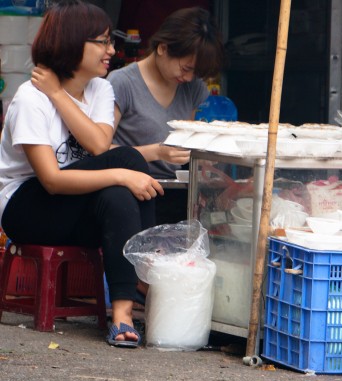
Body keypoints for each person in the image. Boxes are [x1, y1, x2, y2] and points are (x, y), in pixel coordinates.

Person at [0, 0, 164, 347]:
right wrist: (121, 174)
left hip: (74, 204)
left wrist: (59, 94)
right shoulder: (30, 100)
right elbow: (52, 180)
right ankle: (145, 275)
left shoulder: (100, 88)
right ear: (74, 43)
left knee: (120, 192)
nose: (112, 50)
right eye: (103, 42)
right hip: (28, 206)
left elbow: (98, 146)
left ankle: (122, 314)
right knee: (128, 166)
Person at [107, 7, 224, 224]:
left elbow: (187, 141)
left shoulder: (192, 87)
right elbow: (99, 150)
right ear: (163, 48)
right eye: (186, 68)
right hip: (130, 195)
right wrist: (157, 152)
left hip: (177, 194)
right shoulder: (121, 83)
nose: (188, 78)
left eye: (195, 73)